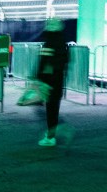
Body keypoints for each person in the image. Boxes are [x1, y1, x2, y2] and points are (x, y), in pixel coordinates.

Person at [36, 18, 69, 146]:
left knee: (50, 110)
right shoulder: (63, 44)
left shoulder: (49, 44)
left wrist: (39, 77)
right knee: (54, 108)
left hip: (49, 81)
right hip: (59, 80)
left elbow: (45, 62)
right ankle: (52, 133)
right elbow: (65, 62)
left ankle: (51, 137)